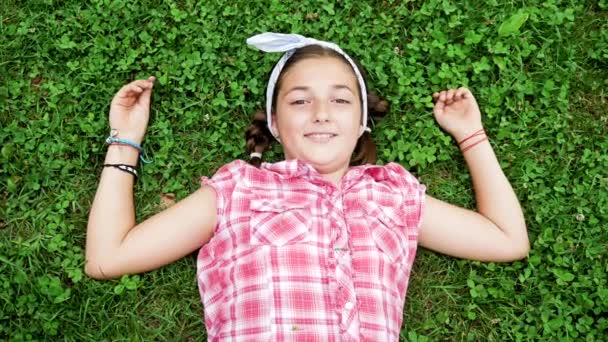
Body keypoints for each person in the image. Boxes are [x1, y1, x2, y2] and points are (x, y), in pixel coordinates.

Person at [86, 33, 529, 341]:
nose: (320, 112)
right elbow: (109, 257)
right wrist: (126, 139)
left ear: (361, 123)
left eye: (340, 99)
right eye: (300, 100)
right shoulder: (239, 189)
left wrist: (471, 136)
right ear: (276, 123)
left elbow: (507, 240)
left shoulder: (391, 194)